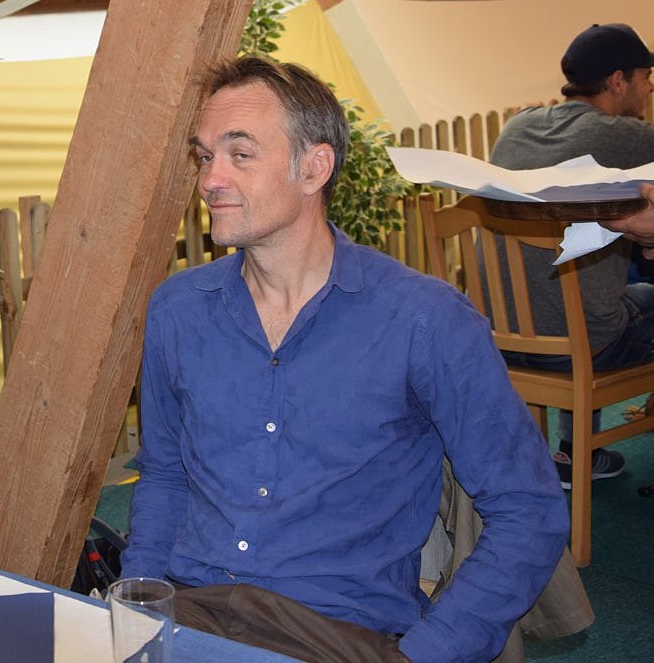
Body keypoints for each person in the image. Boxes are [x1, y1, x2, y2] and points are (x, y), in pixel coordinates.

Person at [122, 57, 567, 663]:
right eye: (205, 156)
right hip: (191, 613)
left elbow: (528, 511)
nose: (210, 180)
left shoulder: (424, 320)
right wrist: (137, 603)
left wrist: (426, 654)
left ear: (315, 167)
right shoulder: (178, 309)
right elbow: (165, 473)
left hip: (334, 633)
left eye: (240, 154)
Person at [488, 22, 654, 486]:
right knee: (612, 304)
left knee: (595, 297)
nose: (650, 87)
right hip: (585, 347)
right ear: (618, 80)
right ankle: (578, 447)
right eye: (646, 77)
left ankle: (573, 453)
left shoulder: (517, 126)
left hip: (502, 336)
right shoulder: (629, 137)